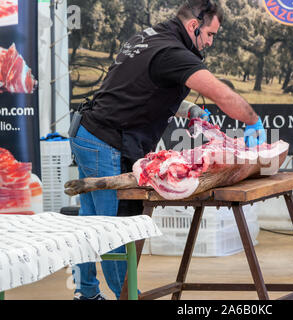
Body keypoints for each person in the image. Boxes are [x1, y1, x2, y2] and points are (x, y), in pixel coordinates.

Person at [69, 0, 266, 300]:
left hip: (87, 132)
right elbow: (221, 94)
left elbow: (135, 87)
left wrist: (186, 108)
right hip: (106, 141)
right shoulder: (175, 53)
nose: (210, 43)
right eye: (210, 34)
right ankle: (127, 297)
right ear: (193, 26)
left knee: (91, 223)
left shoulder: (148, 37)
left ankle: (86, 293)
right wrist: (253, 120)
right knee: (116, 231)